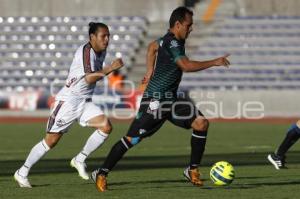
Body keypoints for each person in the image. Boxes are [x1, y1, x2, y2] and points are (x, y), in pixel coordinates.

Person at [92, 6, 230, 192]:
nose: (191, 29)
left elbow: (151, 47)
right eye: (189, 25)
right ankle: (101, 172)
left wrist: (149, 71)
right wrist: (215, 62)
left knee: (201, 123)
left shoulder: (167, 40)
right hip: (155, 100)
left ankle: (192, 170)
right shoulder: (173, 43)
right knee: (131, 139)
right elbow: (186, 66)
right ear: (178, 24)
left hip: (171, 100)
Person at [14, 22, 124, 188]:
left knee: (105, 127)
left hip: (85, 101)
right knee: (51, 141)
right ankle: (22, 172)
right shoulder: (86, 51)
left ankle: (80, 159)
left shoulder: (101, 50)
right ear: (92, 37)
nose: (107, 39)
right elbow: (89, 78)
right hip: (69, 101)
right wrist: (111, 68)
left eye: (108, 35)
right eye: (103, 36)